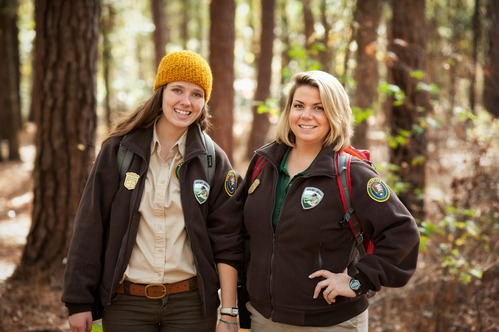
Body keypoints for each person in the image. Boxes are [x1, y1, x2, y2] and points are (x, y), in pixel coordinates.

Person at [62, 50, 244, 332]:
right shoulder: (119, 150)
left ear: (204, 101)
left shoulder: (212, 160)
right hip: (126, 305)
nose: (186, 101)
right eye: (177, 90)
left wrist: (229, 313)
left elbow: (228, 241)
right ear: (160, 92)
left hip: (191, 307)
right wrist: (78, 301)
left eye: (197, 94)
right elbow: (90, 226)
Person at [239, 70, 420, 331]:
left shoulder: (351, 173)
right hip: (262, 319)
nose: (306, 115)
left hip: (331, 322)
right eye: (298, 105)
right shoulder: (263, 164)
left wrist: (358, 281)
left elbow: (403, 235)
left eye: (319, 108)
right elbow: (244, 238)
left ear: (334, 114)